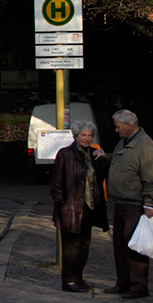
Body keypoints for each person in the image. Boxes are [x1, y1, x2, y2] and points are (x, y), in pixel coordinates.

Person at [103, 109, 153, 299]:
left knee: (135, 247)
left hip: (133, 204)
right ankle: (123, 283)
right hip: (121, 202)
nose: (116, 131)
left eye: (118, 126)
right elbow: (123, 162)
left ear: (129, 125)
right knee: (120, 245)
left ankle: (138, 287)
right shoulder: (126, 141)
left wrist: (149, 203)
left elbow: (151, 177)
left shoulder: (144, 145)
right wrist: (108, 158)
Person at [50, 120, 108, 292]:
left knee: (84, 245)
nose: (87, 138)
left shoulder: (93, 155)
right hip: (71, 208)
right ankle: (68, 281)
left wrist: (103, 160)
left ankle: (79, 278)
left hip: (89, 208)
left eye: (90, 135)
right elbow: (56, 182)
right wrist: (62, 203)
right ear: (76, 136)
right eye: (84, 135)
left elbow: (101, 177)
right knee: (71, 247)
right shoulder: (66, 154)